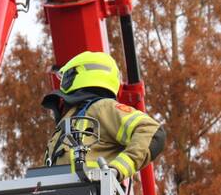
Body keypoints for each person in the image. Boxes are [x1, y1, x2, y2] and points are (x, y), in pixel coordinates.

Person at [41, 50, 165, 179]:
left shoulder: (102, 107)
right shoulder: (68, 120)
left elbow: (151, 131)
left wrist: (117, 169)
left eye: (67, 76)